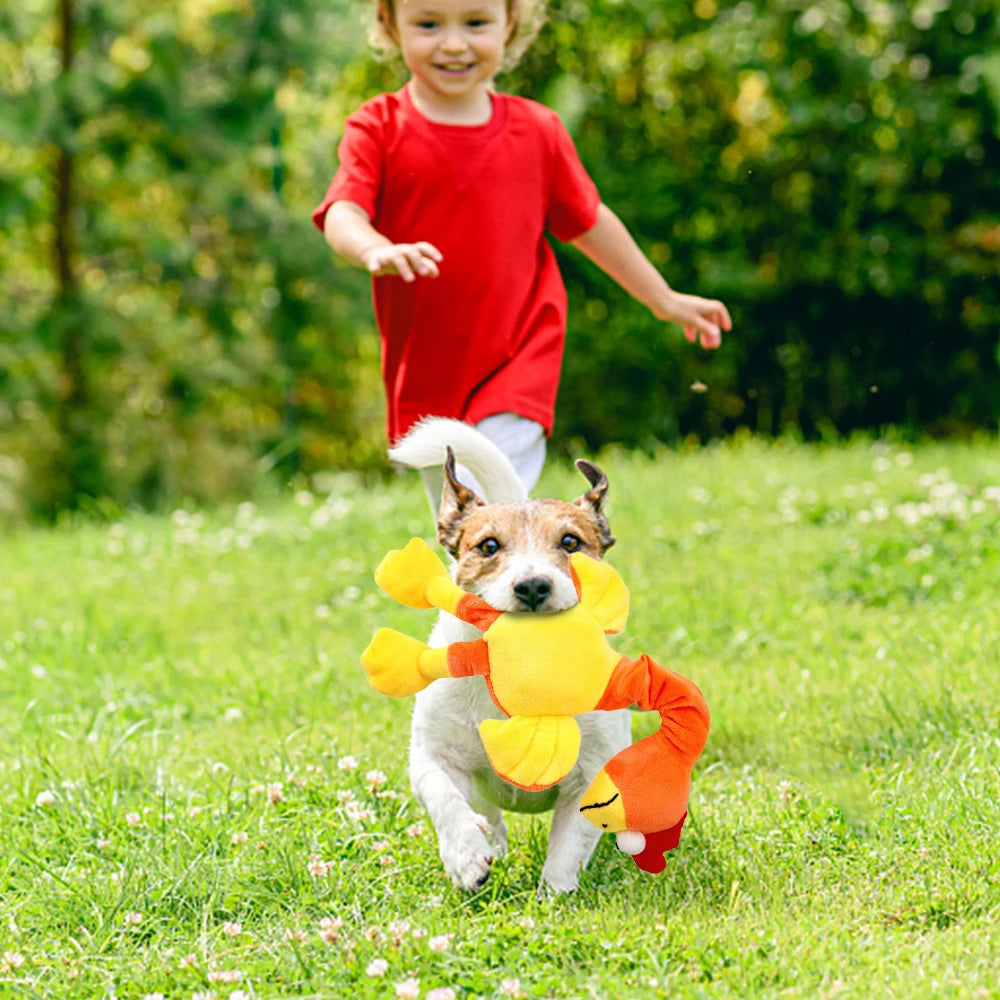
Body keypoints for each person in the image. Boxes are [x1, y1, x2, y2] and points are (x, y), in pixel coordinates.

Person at [312, 0, 732, 502]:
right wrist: (373, 247)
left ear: (510, 24)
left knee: (491, 496)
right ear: (389, 24)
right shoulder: (378, 126)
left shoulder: (537, 131)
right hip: (429, 368)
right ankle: (481, 580)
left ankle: (536, 573)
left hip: (521, 347)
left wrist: (663, 298)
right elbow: (342, 211)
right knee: (462, 525)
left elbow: (590, 222)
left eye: (475, 22)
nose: (452, 43)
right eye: (428, 24)